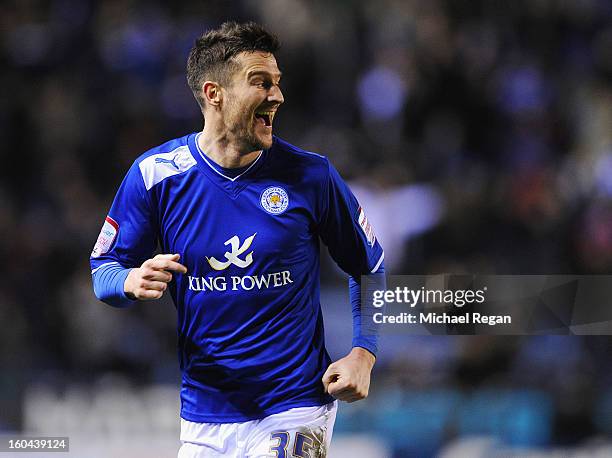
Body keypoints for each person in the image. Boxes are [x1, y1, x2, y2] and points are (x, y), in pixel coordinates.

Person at [90, 21, 384, 458]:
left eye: (278, 83)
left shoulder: (311, 175)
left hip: (295, 405)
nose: (277, 96)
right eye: (260, 83)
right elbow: (102, 271)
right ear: (214, 94)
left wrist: (364, 351)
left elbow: (369, 264)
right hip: (205, 415)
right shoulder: (156, 176)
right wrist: (129, 280)